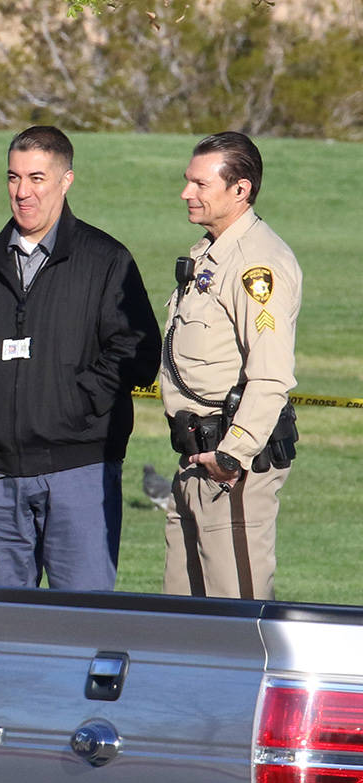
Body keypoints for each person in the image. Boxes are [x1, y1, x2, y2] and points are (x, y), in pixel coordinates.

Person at [0, 125, 160, 591]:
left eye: (36, 178)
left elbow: (138, 349)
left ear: (65, 180)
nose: (22, 192)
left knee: (83, 623)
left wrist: (78, 402)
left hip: (80, 474)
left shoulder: (106, 259)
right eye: (13, 178)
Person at [161, 131, 302, 600]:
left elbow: (271, 375)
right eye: (188, 182)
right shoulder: (209, 253)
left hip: (230, 468)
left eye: (201, 184)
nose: (187, 193)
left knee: (238, 620)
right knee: (182, 627)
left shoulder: (255, 265)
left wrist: (231, 456)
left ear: (240, 190)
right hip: (196, 459)